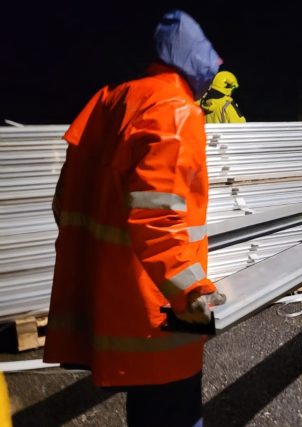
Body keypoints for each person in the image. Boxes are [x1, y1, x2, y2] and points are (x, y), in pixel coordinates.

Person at [43, 10, 226, 426]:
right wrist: (193, 293)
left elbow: (63, 203)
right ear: (195, 59)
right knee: (175, 411)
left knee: (146, 413)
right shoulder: (176, 110)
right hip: (161, 310)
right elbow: (157, 220)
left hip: (113, 305)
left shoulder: (110, 99)